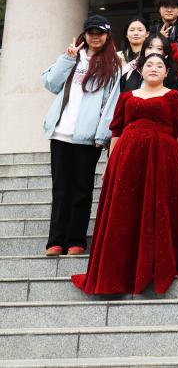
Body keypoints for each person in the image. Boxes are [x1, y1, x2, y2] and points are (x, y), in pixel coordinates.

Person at [71, 53, 178, 294]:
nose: (154, 68)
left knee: (159, 208)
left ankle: (154, 266)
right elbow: (117, 131)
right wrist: (110, 164)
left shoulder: (174, 97)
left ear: (167, 72)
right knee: (125, 210)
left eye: (160, 65)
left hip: (163, 157)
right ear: (140, 70)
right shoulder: (127, 97)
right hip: (127, 158)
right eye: (149, 65)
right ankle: (120, 269)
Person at [41, 15, 122, 257]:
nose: (95, 37)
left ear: (107, 35)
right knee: (60, 189)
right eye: (91, 32)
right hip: (60, 133)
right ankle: (56, 241)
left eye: (100, 33)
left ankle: (76, 240)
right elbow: (50, 83)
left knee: (82, 189)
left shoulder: (113, 64)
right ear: (84, 35)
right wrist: (67, 58)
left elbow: (111, 102)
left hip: (88, 138)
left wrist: (103, 135)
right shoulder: (72, 57)